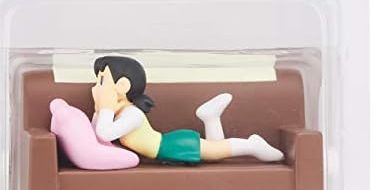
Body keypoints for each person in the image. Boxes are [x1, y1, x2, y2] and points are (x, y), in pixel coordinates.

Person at [91, 55, 283, 163]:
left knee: (217, 151)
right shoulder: (121, 111)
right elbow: (95, 134)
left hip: (172, 146)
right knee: (215, 150)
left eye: (101, 81)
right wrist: (99, 109)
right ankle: (211, 117)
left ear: (122, 86)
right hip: (170, 146)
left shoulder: (133, 114)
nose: (96, 87)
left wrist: (105, 107)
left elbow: (104, 134)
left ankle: (251, 145)